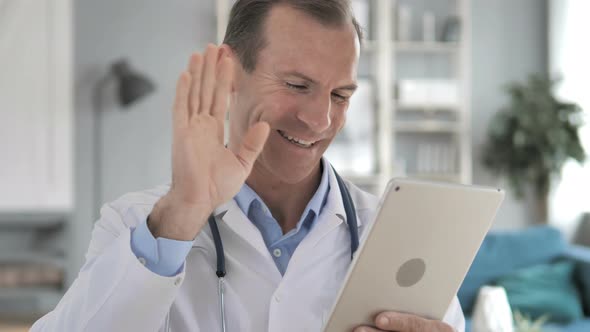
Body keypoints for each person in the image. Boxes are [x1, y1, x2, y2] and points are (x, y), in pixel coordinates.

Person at [32, 0, 464, 331]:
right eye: (297, 85)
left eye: (341, 95)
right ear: (230, 73)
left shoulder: (397, 237)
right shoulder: (134, 225)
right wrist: (182, 212)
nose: (321, 120)